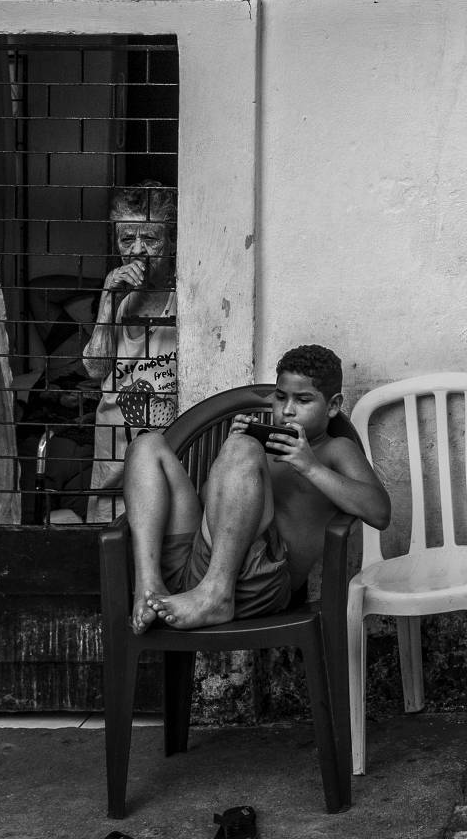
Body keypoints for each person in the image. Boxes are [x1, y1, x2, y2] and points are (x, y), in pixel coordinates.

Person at [124, 344, 391, 631]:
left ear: (333, 405)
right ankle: (149, 586)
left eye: (303, 400)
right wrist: (230, 459)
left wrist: (311, 466)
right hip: (195, 566)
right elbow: (208, 507)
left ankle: (217, 594)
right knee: (146, 445)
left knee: (243, 447)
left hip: (259, 587)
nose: (287, 410)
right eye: (280, 397)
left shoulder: (335, 450)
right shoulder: (257, 449)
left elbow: (379, 513)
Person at [79, 183, 181, 522]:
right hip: (115, 442)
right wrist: (108, 296)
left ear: (171, 241)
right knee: (110, 537)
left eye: (149, 239)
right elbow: (95, 369)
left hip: (168, 444)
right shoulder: (117, 296)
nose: (137, 250)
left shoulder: (185, 296)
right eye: (127, 239)